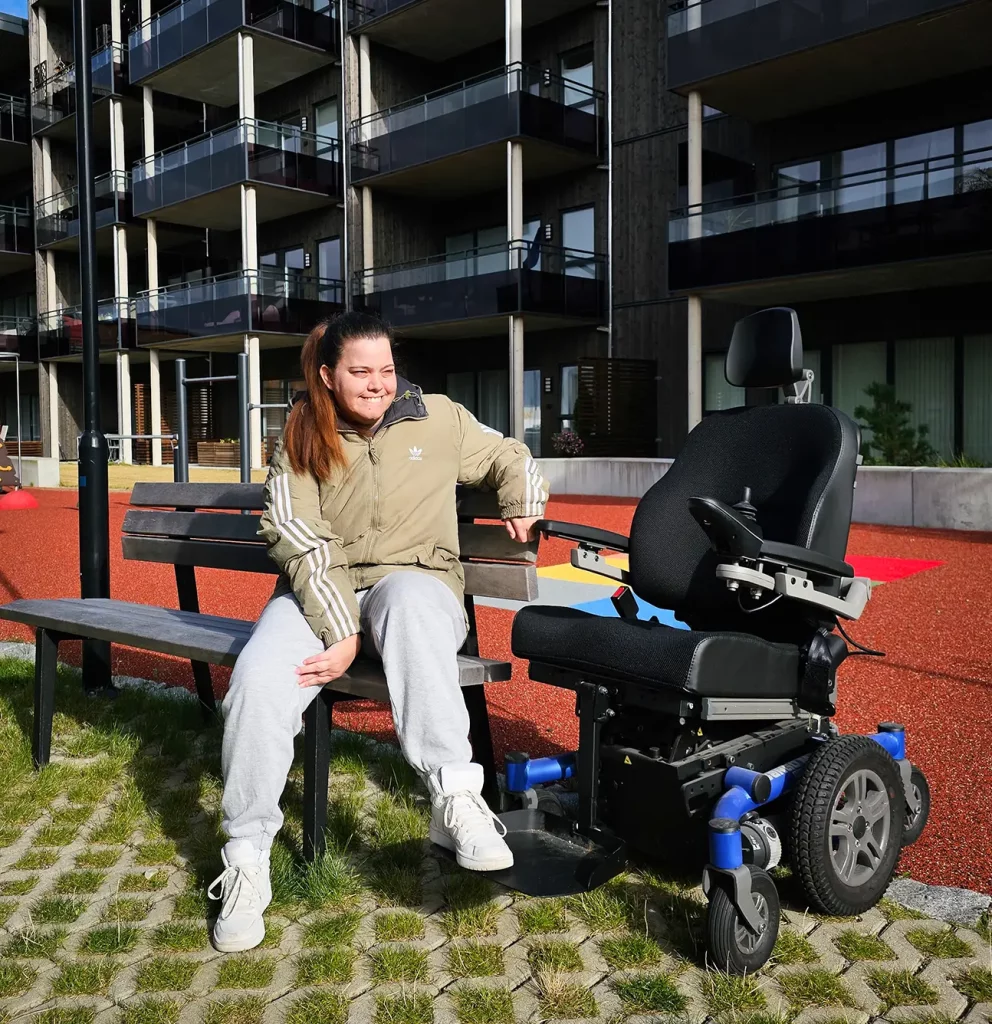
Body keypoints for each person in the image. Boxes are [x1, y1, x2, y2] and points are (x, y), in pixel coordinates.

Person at [208, 310, 550, 952]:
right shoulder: (303, 433)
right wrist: (340, 628)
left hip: (416, 584)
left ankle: (455, 794)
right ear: (329, 375)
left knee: (414, 606)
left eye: (386, 370)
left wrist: (522, 495)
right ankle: (246, 857)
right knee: (257, 681)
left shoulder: (438, 418)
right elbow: (292, 530)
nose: (377, 384)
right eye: (360, 372)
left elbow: (507, 454)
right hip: (322, 591)